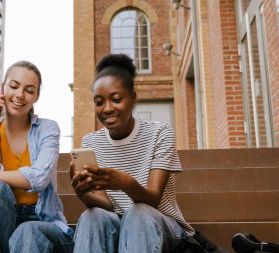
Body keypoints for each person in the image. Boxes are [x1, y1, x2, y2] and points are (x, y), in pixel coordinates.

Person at [70, 54, 196, 253]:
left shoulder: (160, 133)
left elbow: (152, 200)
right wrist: (84, 194)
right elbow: (106, 208)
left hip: (160, 227)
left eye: (116, 99)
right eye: (99, 102)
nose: (107, 109)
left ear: (133, 99)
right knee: (91, 215)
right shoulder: (90, 142)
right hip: (117, 227)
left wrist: (124, 182)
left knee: (138, 213)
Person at [0, 60, 74, 253]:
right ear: (1, 89)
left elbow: (39, 178)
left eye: (29, 90)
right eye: (14, 86)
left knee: (26, 231)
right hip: (0, 225)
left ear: (36, 97)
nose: (20, 94)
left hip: (42, 223)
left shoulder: (47, 129)